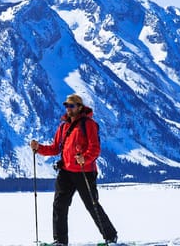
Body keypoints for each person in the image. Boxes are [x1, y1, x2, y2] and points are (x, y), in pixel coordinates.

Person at [30, 94, 118, 246]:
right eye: (67, 106)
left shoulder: (89, 124)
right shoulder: (63, 126)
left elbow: (95, 148)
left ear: (79, 107)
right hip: (66, 171)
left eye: (71, 106)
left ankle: (110, 237)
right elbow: (55, 148)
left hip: (85, 171)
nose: (68, 109)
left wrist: (85, 157)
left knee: (92, 205)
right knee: (59, 205)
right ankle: (60, 241)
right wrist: (39, 149)